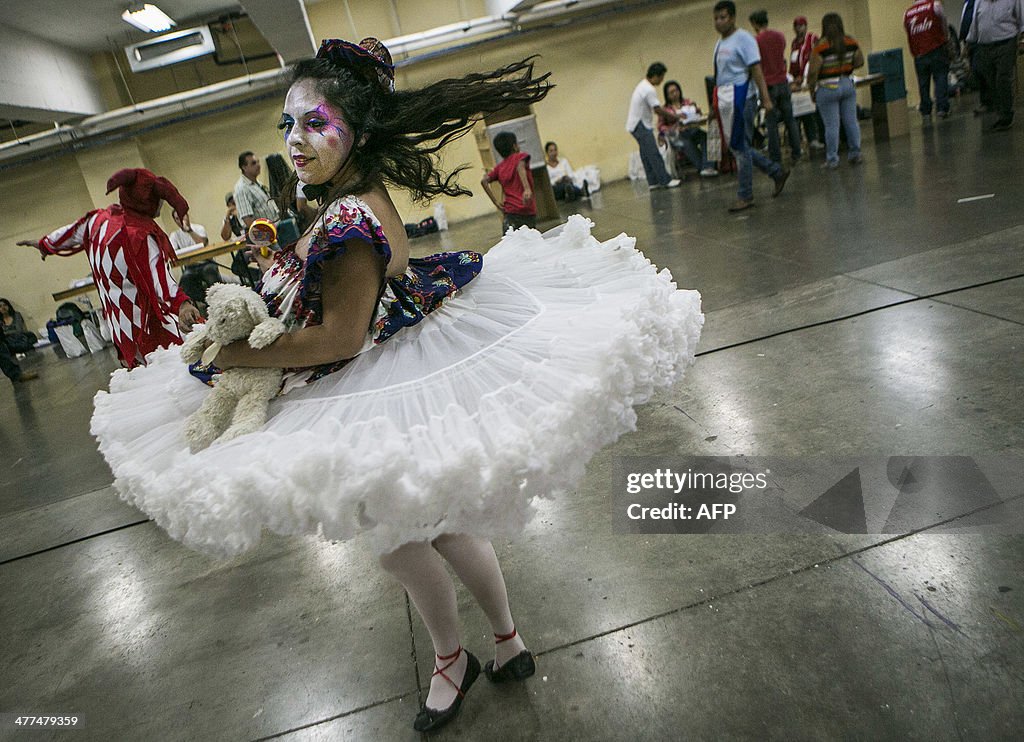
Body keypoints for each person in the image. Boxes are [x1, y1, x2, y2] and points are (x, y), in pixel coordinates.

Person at [88, 37, 703, 734]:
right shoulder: (352, 191)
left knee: (402, 539)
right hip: (397, 356)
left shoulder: (347, 218)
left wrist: (241, 354)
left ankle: (452, 659)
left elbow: (342, 338)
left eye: (315, 123)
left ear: (358, 128)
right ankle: (505, 641)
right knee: (439, 521)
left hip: (376, 377)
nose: (295, 139)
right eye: (287, 125)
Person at [18, 168, 202, 368]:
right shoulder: (140, 234)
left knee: (144, 377)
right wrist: (183, 305)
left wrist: (44, 244)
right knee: (183, 369)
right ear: (146, 200)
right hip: (148, 325)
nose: (161, 204)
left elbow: (67, 235)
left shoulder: (97, 221)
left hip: (119, 327)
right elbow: (162, 283)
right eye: (158, 199)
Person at [713, 0, 790, 212]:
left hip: (743, 98)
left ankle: (745, 195)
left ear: (733, 17)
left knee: (739, 147)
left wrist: (765, 99)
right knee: (739, 147)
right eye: (716, 18)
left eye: (723, 17)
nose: (719, 22)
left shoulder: (744, 39)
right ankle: (776, 172)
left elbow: (756, 70)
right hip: (726, 99)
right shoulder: (720, 43)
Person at [807, 13, 865, 168]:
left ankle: (832, 159)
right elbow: (860, 61)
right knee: (851, 121)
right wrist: (847, 66)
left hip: (827, 88)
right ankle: (855, 153)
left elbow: (813, 72)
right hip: (847, 84)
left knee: (832, 126)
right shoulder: (851, 41)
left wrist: (811, 89)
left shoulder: (821, 46)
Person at [750, 9, 803, 164]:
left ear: (754, 23)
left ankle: (775, 157)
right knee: (790, 119)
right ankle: (797, 152)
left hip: (768, 86)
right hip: (783, 82)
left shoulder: (756, 41)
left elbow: (755, 64)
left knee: (771, 124)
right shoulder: (780, 36)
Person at [965, 0, 1024, 131]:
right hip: (985, 46)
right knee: (990, 79)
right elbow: (975, 23)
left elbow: (1022, 18)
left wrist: (1022, 39)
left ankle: (1005, 116)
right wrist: (969, 42)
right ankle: (1000, 111)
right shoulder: (979, 2)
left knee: (1002, 77)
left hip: (1006, 42)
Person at [626, 62, 682, 190]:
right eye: (662, 77)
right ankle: (665, 180)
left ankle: (653, 182)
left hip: (634, 124)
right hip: (640, 124)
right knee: (653, 153)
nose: (662, 80)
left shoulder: (642, 85)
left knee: (645, 154)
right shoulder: (648, 89)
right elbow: (657, 109)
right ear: (656, 76)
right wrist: (675, 117)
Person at [904, 0, 952, 120]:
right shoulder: (935, 5)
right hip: (936, 49)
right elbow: (944, 24)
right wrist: (946, 39)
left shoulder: (907, 14)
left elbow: (908, 32)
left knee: (923, 82)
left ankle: (926, 110)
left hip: (919, 53)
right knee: (940, 77)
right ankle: (942, 108)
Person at [481, 131, 536, 233]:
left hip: (509, 214)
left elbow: (484, 181)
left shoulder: (499, 167)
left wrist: (496, 202)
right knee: (530, 243)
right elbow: (520, 166)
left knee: (510, 244)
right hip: (527, 211)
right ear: (515, 146)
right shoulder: (520, 157)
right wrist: (527, 188)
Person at [659, 81, 718, 176]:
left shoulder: (687, 102)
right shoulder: (665, 109)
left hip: (691, 129)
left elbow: (697, 114)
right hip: (677, 135)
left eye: (676, 90)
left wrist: (697, 111)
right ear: (667, 95)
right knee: (685, 143)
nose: (675, 94)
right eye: (671, 92)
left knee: (706, 136)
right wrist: (674, 128)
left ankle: (708, 167)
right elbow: (661, 126)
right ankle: (704, 167)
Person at [790, 15, 826, 151]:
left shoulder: (812, 39)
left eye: (801, 26)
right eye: (796, 26)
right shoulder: (794, 43)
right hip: (800, 83)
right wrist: (794, 78)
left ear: (806, 26)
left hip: (812, 79)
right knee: (804, 109)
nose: (799, 29)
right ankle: (811, 139)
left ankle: (821, 137)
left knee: (817, 110)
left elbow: (815, 58)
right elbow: (793, 64)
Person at [233, 151, 281, 229]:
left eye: (258, 162)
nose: (258, 165)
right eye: (253, 163)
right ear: (244, 167)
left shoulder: (258, 184)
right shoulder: (242, 189)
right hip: (265, 236)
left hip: (276, 228)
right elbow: (248, 221)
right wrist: (267, 236)